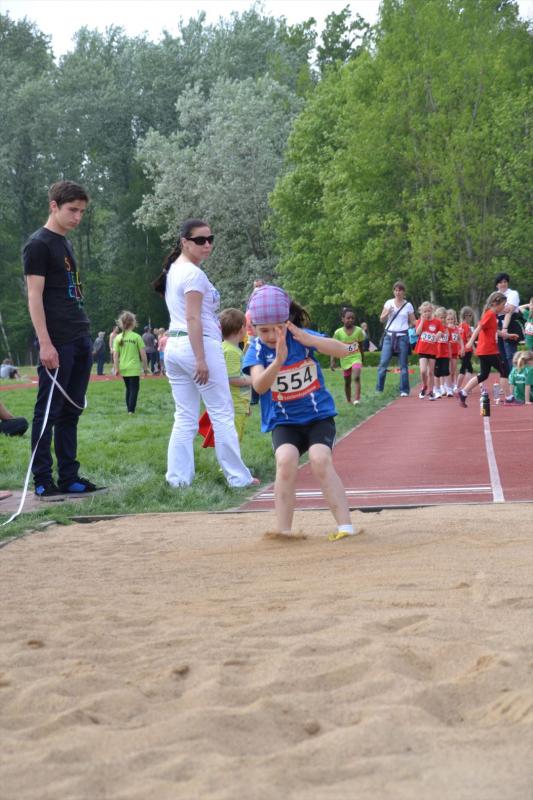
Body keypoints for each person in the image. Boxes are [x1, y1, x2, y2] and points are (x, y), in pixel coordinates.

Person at [243, 284, 359, 542]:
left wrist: (311, 340)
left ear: (287, 322)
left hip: (318, 416)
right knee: (285, 461)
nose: (271, 336)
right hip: (284, 421)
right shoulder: (256, 350)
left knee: (320, 458)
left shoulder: (301, 338)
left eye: (277, 329)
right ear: (254, 328)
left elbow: (346, 351)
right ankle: (284, 531)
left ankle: (346, 526)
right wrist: (278, 361)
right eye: (264, 331)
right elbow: (259, 385)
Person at [153, 218, 257, 489]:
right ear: (184, 242)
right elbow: (193, 317)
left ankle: (178, 480)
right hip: (197, 345)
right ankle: (238, 478)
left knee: (184, 415)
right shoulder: (193, 274)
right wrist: (200, 358)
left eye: (211, 239)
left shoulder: (174, 269)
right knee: (222, 412)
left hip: (175, 347)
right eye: (200, 240)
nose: (207, 244)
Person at [23, 180, 97, 497]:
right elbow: (34, 296)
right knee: (48, 413)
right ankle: (42, 479)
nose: (77, 217)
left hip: (79, 335)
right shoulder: (38, 244)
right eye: (72, 210)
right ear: (54, 206)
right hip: (57, 340)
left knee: (72, 410)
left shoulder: (64, 243)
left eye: (82, 211)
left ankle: (69, 475)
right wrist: (45, 342)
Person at [458, 292, 513, 407]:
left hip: (483, 351)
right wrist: (470, 342)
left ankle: (463, 393)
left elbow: (494, 331)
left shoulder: (492, 315)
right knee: (504, 370)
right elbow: (479, 328)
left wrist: (508, 335)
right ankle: (509, 398)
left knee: (484, 375)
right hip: (489, 350)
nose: (504, 307)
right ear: (495, 304)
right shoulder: (490, 314)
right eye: (503, 304)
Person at [375, 281, 416, 397]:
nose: (398, 292)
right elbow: (381, 319)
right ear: (393, 291)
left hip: (403, 336)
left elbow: (413, 321)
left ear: (404, 292)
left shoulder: (408, 305)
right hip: (389, 336)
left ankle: (404, 390)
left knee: (403, 365)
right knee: (383, 363)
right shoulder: (389, 303)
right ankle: (379, 389)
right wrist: (387, 312)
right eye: (396, 290)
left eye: (400, 290)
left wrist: (421, 322)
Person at [220, 308, 252, 441]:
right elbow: (232, 379)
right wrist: (253, 380)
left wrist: (246, 405)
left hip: (239, 404)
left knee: (235, 438)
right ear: (241, 329)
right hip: (235, 406)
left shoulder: (228, 348)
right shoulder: (232, 351)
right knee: (234, 440)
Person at [113, 311, 149, 414]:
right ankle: (131, 411)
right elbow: (143, 355)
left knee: (128, 388)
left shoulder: (118, 337)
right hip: (134, 367)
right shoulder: (136, 337)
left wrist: (116, 368)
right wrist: (145, 368)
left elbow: (115, 356)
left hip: (123, 367)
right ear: (133, 323)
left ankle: (129, 409)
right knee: (134, 389)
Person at [331, 307, 365, 405]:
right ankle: (349, 400)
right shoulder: (338, 333)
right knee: (347, 382)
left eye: (352, 318)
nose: (351, 320)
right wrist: (333, 361)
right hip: (345, 359)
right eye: (348, 318)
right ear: (343, 319)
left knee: (356, 377)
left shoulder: (359, 331)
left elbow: (361, 345)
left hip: (356, 357)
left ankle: (357, 399)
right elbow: (333, 347)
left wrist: (362, 357)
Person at [414, 301, 443, 399]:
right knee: (423, 371)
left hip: (432, 350)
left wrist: (439, 334)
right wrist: (422, 321)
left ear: (432, 311)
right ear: (421, 312)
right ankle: (424, 385)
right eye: (424, 311)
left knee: (431, 372)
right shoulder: (420, 321)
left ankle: (431, 391)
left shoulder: (437, 322)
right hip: (422, 349)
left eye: (428, 311)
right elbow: (417, 333)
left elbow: (441, 331)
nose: (427, 313)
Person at [494, 272, 521, 371]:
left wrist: (505, 328)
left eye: (505, 282)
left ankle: (515, 377)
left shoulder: (513, 293)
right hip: (498, 326)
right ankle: (508, 378)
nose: (503, 284)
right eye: (500, 282)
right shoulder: (494, 296)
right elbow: (491, 310)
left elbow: (509, 311)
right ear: (497, 285)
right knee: (502, 356)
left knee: (511, 355)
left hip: (510, 325)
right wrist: (502, 309)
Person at [456, 306, 475, 392]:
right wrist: (474, 348)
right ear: (466, 316)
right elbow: (469, 339)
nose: (471, 318)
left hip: (461, 350)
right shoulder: (466, 326)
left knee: (469, 368)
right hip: (467, 350)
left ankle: (468, 387)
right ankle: (458, 387)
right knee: (463, 368)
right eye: (470, 316)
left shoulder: (459, 326)